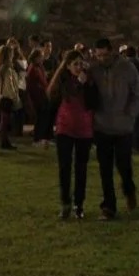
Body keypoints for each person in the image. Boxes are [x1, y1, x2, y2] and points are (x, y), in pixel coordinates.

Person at [89, 37, 139, 220]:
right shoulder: (93, 70)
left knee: (124, 166)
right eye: (98, 55)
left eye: (105, 55)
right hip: (101, 125)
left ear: (111, 52)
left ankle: (129, 190)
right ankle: (109, 207)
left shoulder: (126, 68)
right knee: (105, 169)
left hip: (123, 127)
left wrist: (130, 114)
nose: (102, 59)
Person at [48, 49, 96, 220]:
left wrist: (86, 83)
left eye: (80, 63)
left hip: (84, 129)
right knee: (65, 168)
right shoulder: (63, 81)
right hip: (65, 128)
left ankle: (79, 204)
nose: (78, 67)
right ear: (67, 66)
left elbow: (93, 102)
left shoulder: (89, 80)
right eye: (74, 64)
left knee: (81, 168)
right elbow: (59, 96)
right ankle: (65, 203)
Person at [0, 41, 21, 150]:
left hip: (3, 96)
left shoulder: (1, 68)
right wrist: (14, 96)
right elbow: (9, 84)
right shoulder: (6, 69)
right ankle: (4, 141)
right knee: (5, 120)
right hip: (6, 96)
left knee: (4, 120)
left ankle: (4, 141)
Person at [26, 48, 51, 146]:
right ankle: (37, 139)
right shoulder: (33, 68)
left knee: (44, 117)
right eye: (40, 56)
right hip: (38, 96)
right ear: (36, 57)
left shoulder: (40, 66)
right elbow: (31, 84)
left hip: (43, 94)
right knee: (40, 118)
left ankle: (43, 137)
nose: (42, 58)